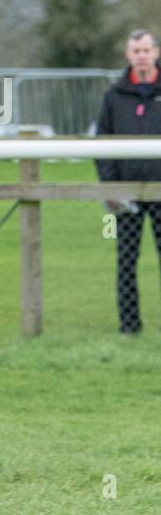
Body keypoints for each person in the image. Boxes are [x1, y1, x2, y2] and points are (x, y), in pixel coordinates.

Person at [94, 28, 161, 334]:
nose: (141, 56)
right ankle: (129, 327)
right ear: (128, 55)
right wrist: (110, 187)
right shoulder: (114, 95)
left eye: (146, 50)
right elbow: (102, 143)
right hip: (127, 193)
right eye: (136, 51)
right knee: (126, 263)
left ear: (156, 52)